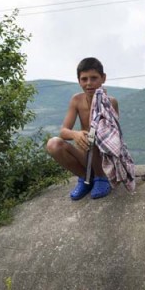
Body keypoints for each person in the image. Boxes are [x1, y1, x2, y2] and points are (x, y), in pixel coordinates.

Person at [45, 57, 120, 200]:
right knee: (53, 144)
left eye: (94, 78)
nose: (89, 83)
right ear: (79, 80)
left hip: (104, 158)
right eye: (84, 79)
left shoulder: (110, 102)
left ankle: (102, 178)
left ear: (103, 78)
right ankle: (85, 179)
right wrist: (75, 134)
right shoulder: (76, 100)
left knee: (94, 135)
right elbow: (64, 131)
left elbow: (111, 136)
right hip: (86, 156)